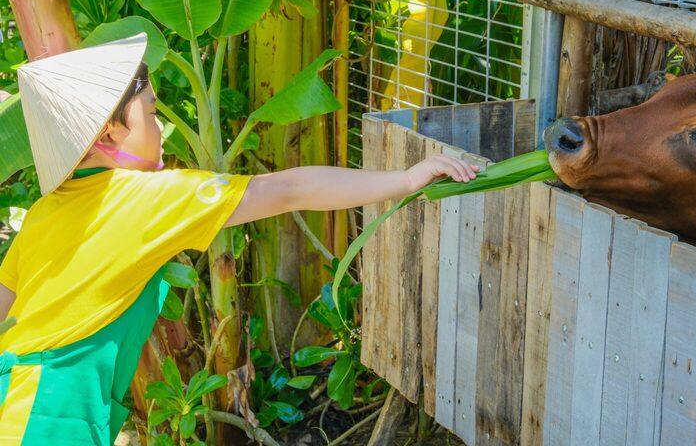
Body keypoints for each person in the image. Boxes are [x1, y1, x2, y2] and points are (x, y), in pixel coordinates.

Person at [0, 34, 477, 443]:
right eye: (149, 114)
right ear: (109, 132)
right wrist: (407, 179)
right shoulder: (150, 196)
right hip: (50, 415)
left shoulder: (45, 213)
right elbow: (289, 189)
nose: (161, 127)